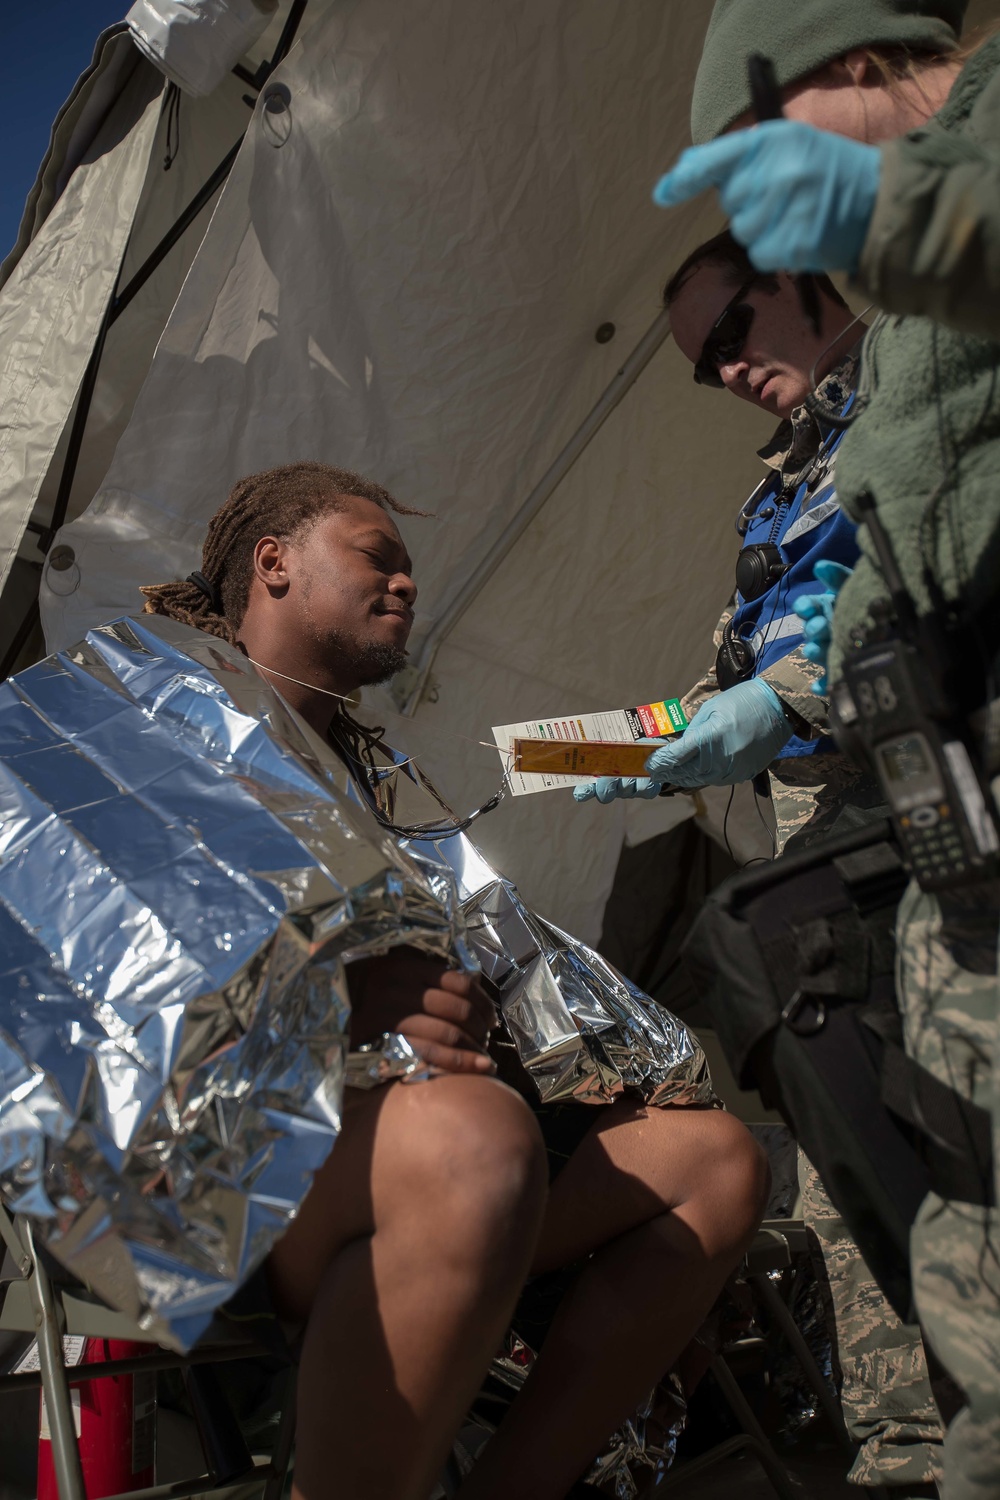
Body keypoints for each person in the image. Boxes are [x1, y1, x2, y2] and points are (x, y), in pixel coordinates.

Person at [141, 459, 769, 1500]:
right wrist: (330, 1017)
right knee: (473, 1140)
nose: (406, 584)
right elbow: (99, 962)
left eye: (410, 569)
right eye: (376, 557)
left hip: (389, 1149)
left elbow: (478, 921)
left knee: (713, 1162)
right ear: (274, 564)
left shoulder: (369, 771)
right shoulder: (162, 715)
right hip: (210, 1171)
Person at [653, 3, 1000, 1497]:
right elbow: (894, 540)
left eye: (735, 329)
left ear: (854, 70)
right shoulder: (892, 367)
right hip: (929, 803)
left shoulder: (944, 216)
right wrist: (740, 712)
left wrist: (903, 212)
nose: (728, 369)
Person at [575, 230, 945, 1495]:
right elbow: (729, 689)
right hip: (828, 876)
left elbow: (864, 631)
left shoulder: (927, 381)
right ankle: (909, 1457)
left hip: (939, 832)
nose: (727, 372)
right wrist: (580, 752)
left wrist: (758, 710)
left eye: (734, 333)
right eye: (701, 367)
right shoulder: (775, 486)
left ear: (804, 275)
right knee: (853, 1165)